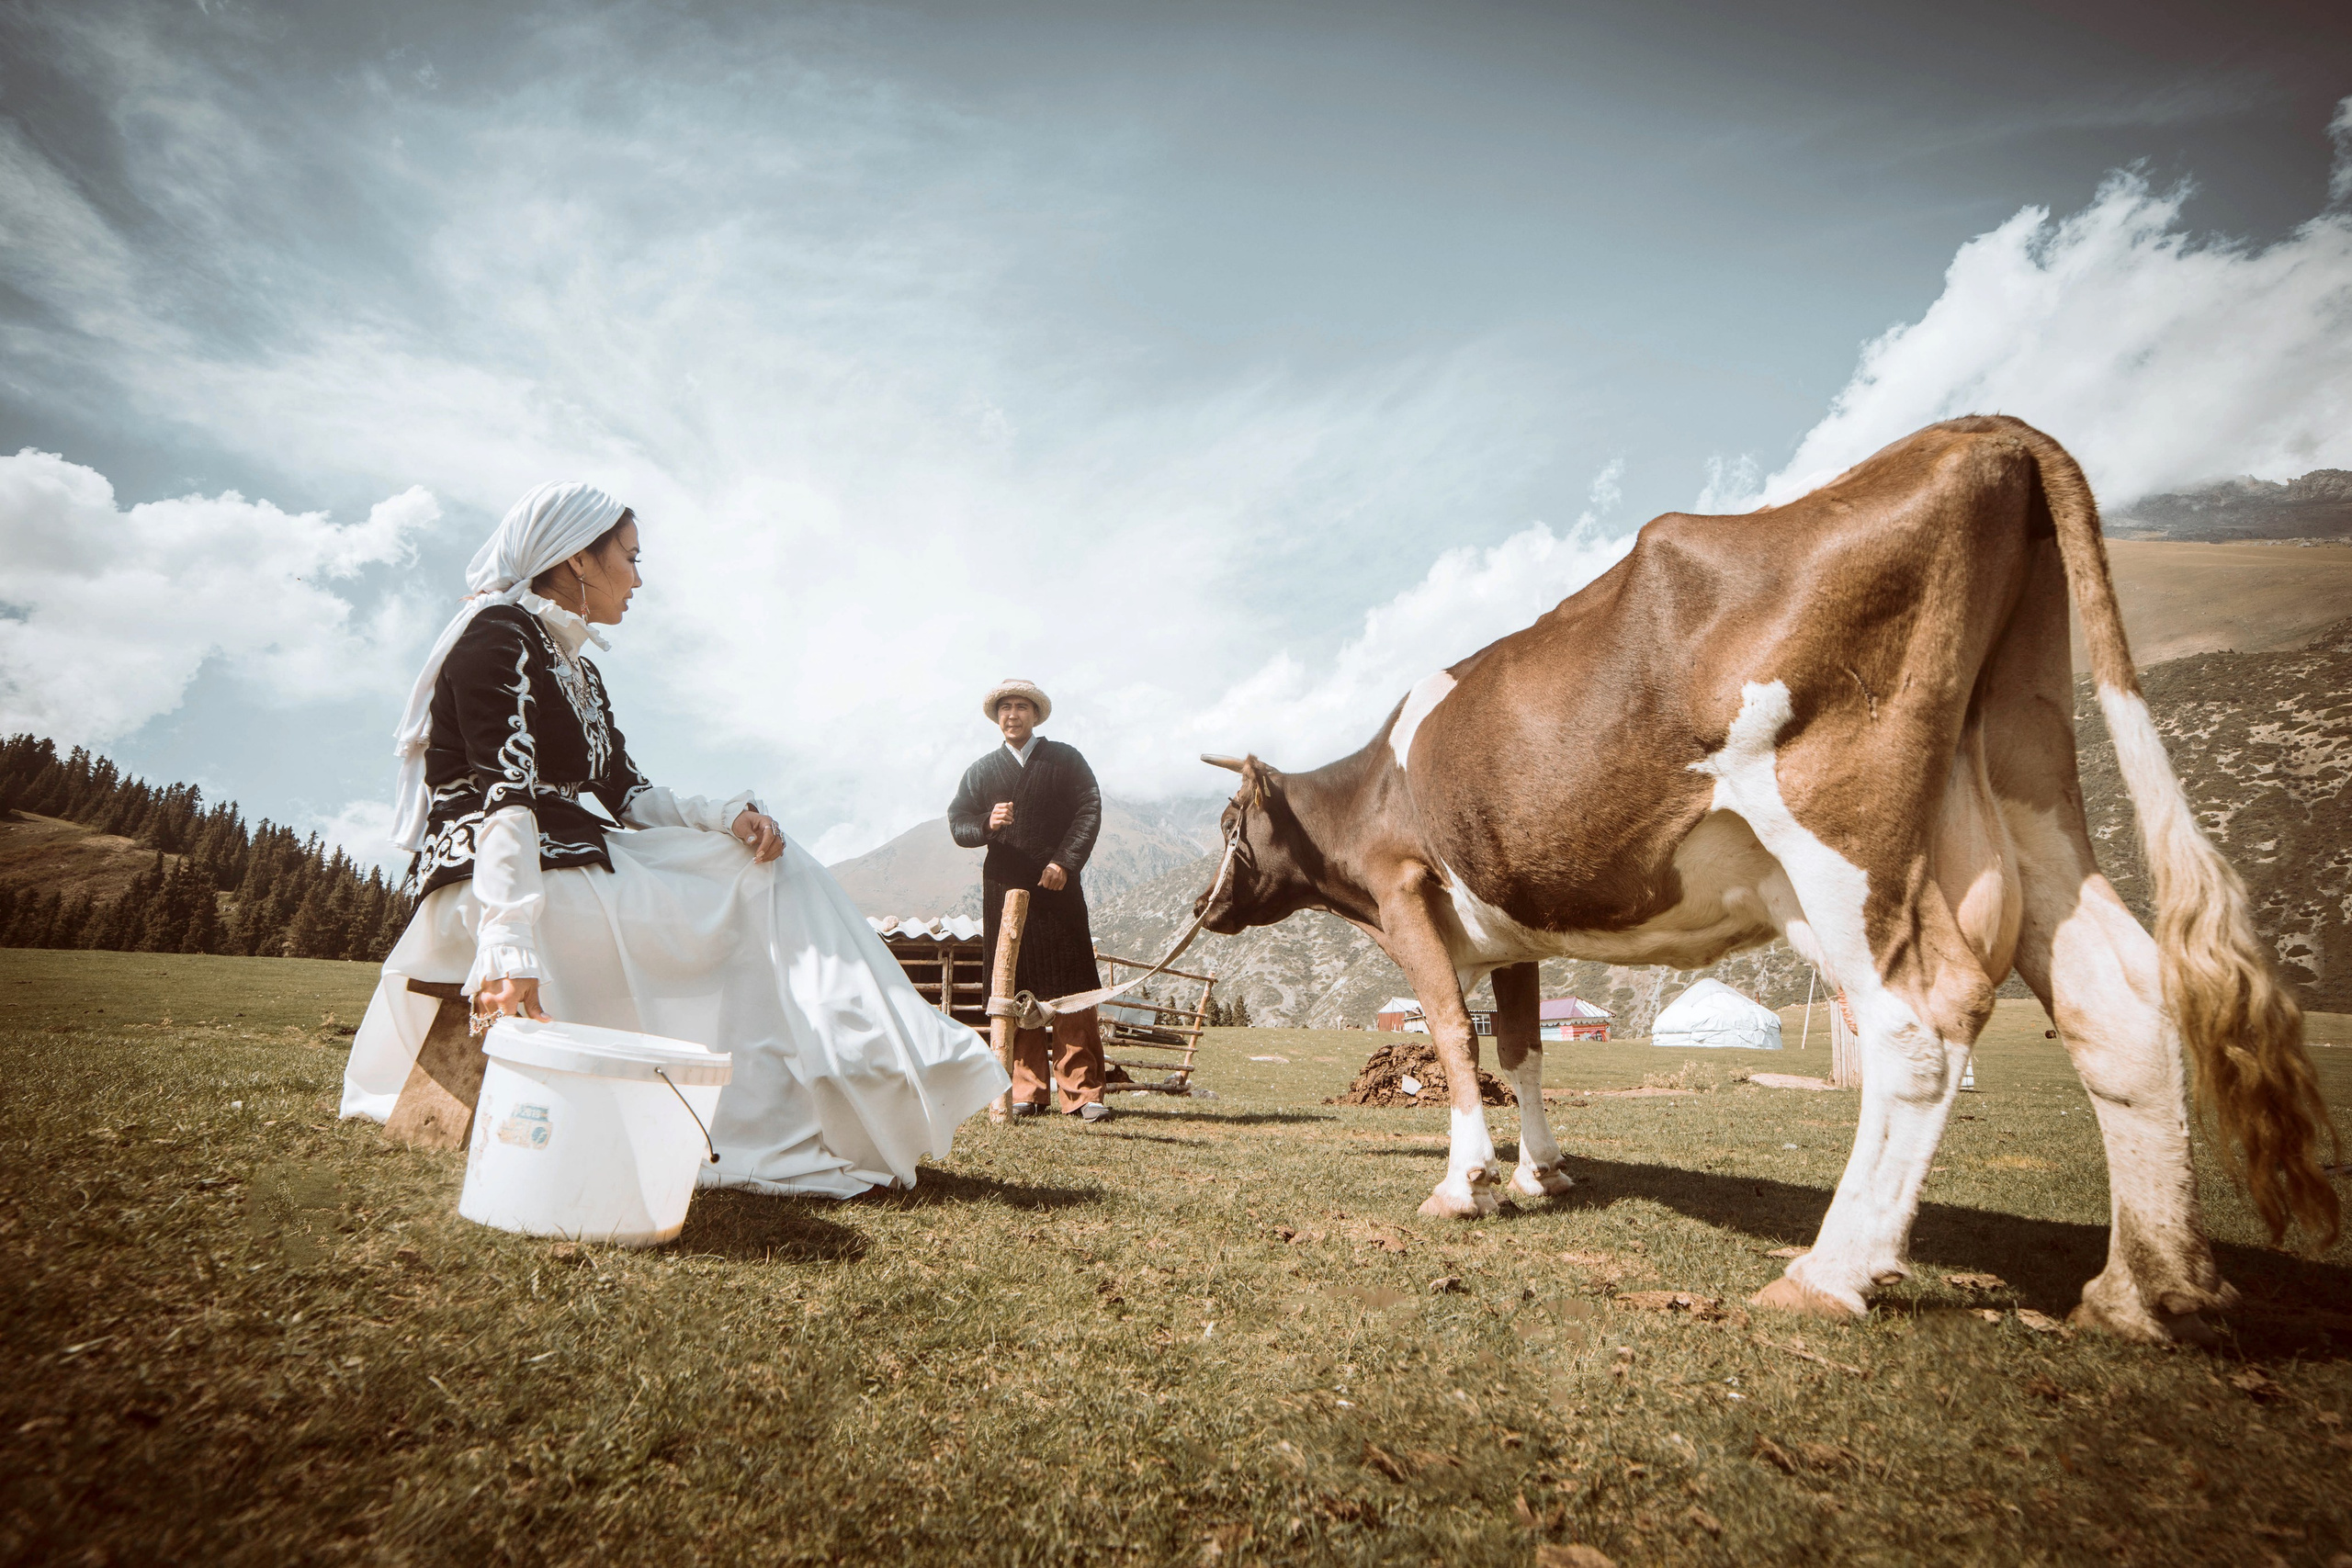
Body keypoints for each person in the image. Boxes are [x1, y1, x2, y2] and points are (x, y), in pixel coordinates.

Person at [340, 481, 1008, 1196]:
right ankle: (779, 1106)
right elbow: (504, 796)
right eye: (628, 556)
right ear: (578, 562)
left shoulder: (580, 668)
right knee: (732, 903)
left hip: (574, 855)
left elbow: (626, 793)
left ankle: (873, 1060)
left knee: (765, 867)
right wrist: (509, 942)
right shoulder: (497, 635)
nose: (638, 576)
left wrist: (726, 817)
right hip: (501, 876)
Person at [947, 680, 1111, 1122]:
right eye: (1005, 708)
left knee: (1072, 988)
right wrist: (985, 822)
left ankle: (1082, 1093)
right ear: (997, 717)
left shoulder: (1065, 760)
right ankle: (1027, 1090)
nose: (1012, 715)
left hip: (1058, 889)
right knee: (1015, 986)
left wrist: (1065, 862)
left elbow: (1088, 810)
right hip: (1003, 891)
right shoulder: (981, 772)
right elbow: (957, 824)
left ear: (1036, 715)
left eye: (1021, 707)